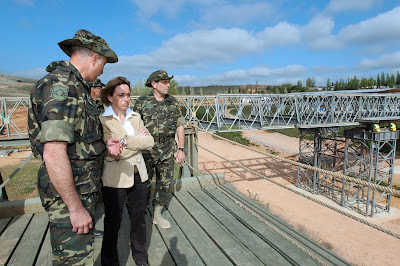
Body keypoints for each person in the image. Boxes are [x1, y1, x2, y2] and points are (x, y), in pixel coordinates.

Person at [28, 29, 122, 265]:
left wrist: (102, 145)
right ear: (94, 58)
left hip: (81, 188)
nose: (102, 71)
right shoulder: (63, 86)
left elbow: (77, 139)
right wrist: (75, 208)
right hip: (70, 195)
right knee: (74, 260)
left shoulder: (77, 87)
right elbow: (53, 152)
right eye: (103, 65)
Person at [100, 76, 154, 266]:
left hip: (139, 174)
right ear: (110, 97)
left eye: (128, 95)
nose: (126, 99)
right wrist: (135, 142)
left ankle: (141, 258)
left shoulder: (135, 116)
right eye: (121, 95)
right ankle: (109, 262)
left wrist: (125, 141)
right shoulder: (103, 120)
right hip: (116, 177)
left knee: (139, 219)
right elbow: (111, 153)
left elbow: (150, 142)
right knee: (112, 222)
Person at [132, 70, 186, 229]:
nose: (168, 85)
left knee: (164, 184)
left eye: (168, 82)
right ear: (154, 84)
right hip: (147, 151)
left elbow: (180, 125)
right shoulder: (142, 102)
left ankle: (156, 215)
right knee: (143, 186)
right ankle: (140, 222)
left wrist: (181, 149)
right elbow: (134, 125)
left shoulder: (173, 102)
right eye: (164, 82)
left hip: (168, 150)